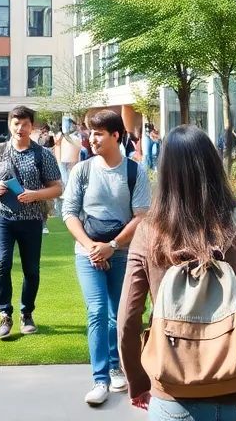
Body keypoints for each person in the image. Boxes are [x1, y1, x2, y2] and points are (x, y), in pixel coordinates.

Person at [118, 125, 236, 421]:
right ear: (213, 165)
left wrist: (138, 382)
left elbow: (128, 320)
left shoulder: (148, 232)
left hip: (174, 391)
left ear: (165, 172)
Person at [63, 110, 151, 406]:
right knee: (97, 310)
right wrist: (91, 247)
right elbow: (69, 213)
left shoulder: (134, 172)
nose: (92, 139)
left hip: (122, 252)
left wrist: (112, 245)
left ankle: (116, 367)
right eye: (90, 133)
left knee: (121, 315)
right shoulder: (82, 170)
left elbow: (142, 217)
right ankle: (99, 379)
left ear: (116, 135)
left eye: (98, 133)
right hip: (87, 253)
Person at [0, 105, 63, 339]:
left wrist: (35, 194)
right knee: (1, 264)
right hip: (1, 216)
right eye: (16, 123)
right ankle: (4, 315)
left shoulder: (42, 154)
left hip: (32, 219)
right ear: (9, 125)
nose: (20, 128)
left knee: (31, 270)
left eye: (25, 124)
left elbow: (57, 187)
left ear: (32, 126)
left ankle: (27, 313)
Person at [55, 120, 83, 215]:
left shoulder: (76, 137)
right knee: (65, 181)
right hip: (63, 161)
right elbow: (57, 147)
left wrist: (76, 161)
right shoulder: (61, 136)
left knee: (69, 182)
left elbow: (79, 148)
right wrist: (58, 161)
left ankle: (70, 204)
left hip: (70, 161)